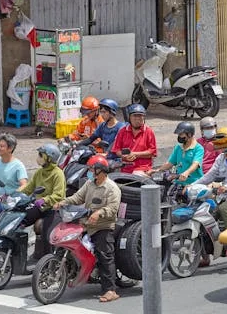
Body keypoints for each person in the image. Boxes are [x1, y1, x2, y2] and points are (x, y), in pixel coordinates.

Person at [54, 155, 121, 303]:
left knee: (104, 255)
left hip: (103, 226)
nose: (90, 171)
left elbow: (113, 208)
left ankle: (110, 290)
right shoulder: (90, 184)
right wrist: (62, 203)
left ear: (101, 171)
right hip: (86, 224)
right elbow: (77, 198)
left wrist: (99, 213)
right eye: (89, 169)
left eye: (92, 169)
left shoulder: (111, 188)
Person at [21, 143, 66, 259]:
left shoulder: (58, 174)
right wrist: (15, 195)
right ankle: (17, 255)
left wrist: (45, 199)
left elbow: (59, 195)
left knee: (47, 233)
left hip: (53, 208)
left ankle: (48, 261)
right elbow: (28, 188)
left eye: (41, 155)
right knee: (19, 221)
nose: (38, 157)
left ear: (49, 158)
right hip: (39, 207)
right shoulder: (39, 172)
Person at [149, 121, 204, 185]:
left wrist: (186, 173)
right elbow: (170, 163)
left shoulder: (198, 148)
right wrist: (157, 170)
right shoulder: (178, 147)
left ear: (189, 134)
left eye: (181, 134)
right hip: (179, 182)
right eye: (178, 135)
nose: (179, 137)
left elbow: (195, 164)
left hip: (194, 183)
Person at [110, 103, 157, 176]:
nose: (138, 119)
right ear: (129, 118)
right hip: (125, 167)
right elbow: (117, 150)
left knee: (136, 174)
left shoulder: (148, 131)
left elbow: (152, 152)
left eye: (140, 116)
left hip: (142, 168)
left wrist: (135, 154)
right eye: (135, 116)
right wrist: (123, 156)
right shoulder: (122, 131)